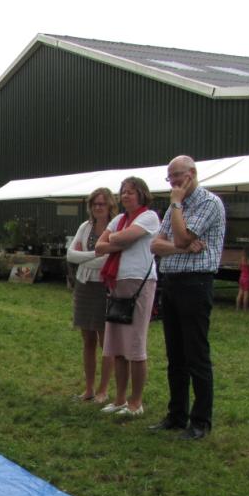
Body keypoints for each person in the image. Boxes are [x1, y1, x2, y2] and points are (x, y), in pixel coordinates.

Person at [150, 155, 227, 440]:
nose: (173, 183)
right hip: (171, 282)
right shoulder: (174, 206)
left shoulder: (208, 203)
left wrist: (177, 206)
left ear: (192, 174)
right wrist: (181, 248)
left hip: (195, 283)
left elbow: (180, 237)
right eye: (170, 178)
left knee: (196, 354)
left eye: (177, 176)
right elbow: (156, 245)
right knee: (175, 355)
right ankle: (176, 415)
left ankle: (200, 421)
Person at [95, 177, 159, 418]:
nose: (125, 196)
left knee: (134, 345)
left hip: (139, 283)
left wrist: (116, 239)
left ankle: (136, 401)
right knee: (117, 346)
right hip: (116, 283)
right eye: (122, 192)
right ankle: (120, 398)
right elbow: (100, 246)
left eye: (130, 192)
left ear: (141, 194)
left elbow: (119, 239)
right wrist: (118, 240)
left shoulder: (149, 217)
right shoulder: (117, 219)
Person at [67, 187, 118, 403]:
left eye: (102, 204)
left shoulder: (116, 228)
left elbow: (108, 260)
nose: (98, 207)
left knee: (104, 340)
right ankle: (89, 388)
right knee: (87, 338)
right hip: (84, 285)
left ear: (110, 206)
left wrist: (84, 256)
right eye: (95, 204)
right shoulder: (85, 226)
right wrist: (94, 253)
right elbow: (70, 254)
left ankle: (103, 389)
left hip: (104, 286)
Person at [236, 245, 249, 311]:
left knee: (240, 293)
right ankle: (245, 308)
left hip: (241, 277)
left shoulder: (242, 259)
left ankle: (237, 308)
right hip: (248, 279)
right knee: (246, 294)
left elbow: (240, 268)